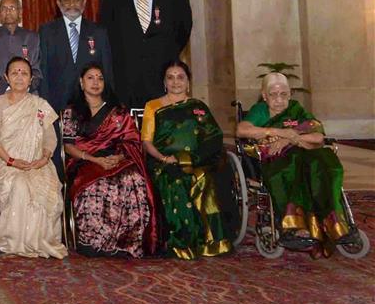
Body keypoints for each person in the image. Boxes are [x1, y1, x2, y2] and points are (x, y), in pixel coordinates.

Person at [237, 72, 361, 255]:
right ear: (264, 95)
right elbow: (242, 130)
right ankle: (293, 226)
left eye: (284, 94)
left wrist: (290, 139)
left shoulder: (297, 110)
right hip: (278, 161)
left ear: (290, 94)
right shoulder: (260, 111)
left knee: (326, 162)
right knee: (293, 166)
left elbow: (318, 136)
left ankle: (334, 222)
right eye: (273, 95)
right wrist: (277, 132)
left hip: (303, 154)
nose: (279, 100)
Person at [60, 62, 156, 258]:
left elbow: (131, 140)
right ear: (81, 82)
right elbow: (69, 146)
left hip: (116, 159)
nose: (95, 82)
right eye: (90, 78)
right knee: (96, 185)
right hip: (84, 161)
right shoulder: (72, 111)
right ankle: (94, 242)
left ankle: (126, 242)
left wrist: (118, 157)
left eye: (100, 78)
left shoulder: (118, 112)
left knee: (133, 180)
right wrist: (95, 160)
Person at [141, 61, 233, 259]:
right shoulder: (153, 106)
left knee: (208, 179)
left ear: (188, 82)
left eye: (180, 77)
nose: (176, 82)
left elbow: (213, 136)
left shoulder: (198, 107)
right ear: (164, 82)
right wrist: (165, 158)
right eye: (170, 77)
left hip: (199, 160)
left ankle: (213, 241)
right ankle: (184, 242)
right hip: (163, 162)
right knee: (176, 182)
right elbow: (147, 142)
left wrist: (192, 158)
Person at [99, 0, 193, 109]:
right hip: (126, 76)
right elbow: (106, 31)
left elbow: (184, 27)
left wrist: (165, 51)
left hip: (162, 72)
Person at [0, 56, 66, 258]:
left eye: (24, 73)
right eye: (15, 72)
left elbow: (50, 137)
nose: (19, 77)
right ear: (6, 77)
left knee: (47, 189)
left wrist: (45, 157)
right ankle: (16, 242)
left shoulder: (40, 104)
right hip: (6, 161)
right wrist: (11, 160)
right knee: (21, 185)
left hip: (37, 161)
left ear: (31, 79)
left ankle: (41, 241)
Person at [39, 0, 113, 109]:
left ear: (84, 3)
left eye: (76, 0)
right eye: (66, 1)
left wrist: (108, 103)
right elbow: (43, 71)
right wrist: (44, 105)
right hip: (57, 103)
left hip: (91, 103)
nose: (71, 4)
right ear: (58, 4)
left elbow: (107, 70)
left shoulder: (98, 32)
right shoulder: (47, 31)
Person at [0, 0, 42, 104]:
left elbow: (36, 71)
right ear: (0, 13)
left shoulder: (32, 37)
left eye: (12, 8)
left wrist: (22, 89)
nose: (8, 12)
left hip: (27, 95)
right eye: (4, 9)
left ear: (20, 12)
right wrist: (8, 90)